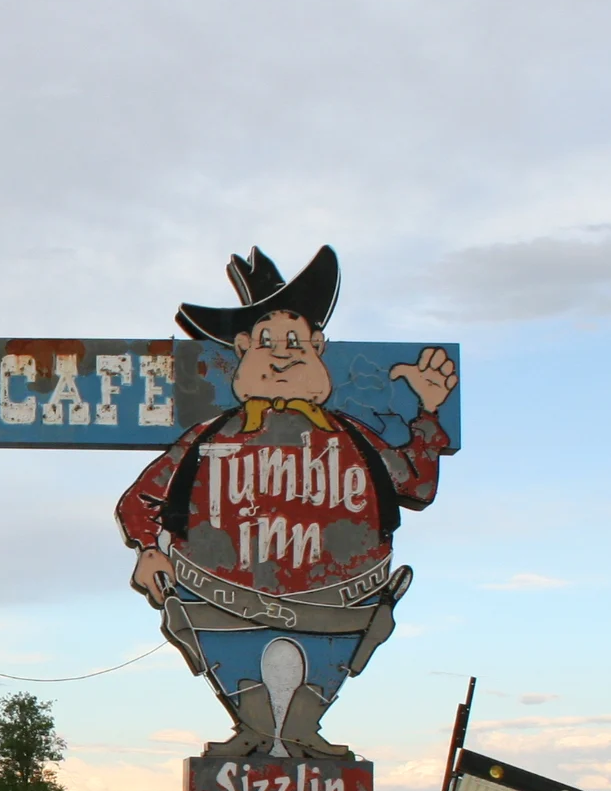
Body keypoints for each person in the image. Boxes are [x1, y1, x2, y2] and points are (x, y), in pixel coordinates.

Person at [115, 246, 457, 759]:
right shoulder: (211, 437)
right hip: (218, 600)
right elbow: (138, 502)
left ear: (318, 345)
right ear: (244, 347)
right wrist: (148, 548)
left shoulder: (352, 437)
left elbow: (414, 486)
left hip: (344, 602)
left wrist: (428, 412)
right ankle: (254, 730)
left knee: (321, 681)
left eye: (295, 340)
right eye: (268, 341)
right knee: (239, 677)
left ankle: (303, 731)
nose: (282, 352)